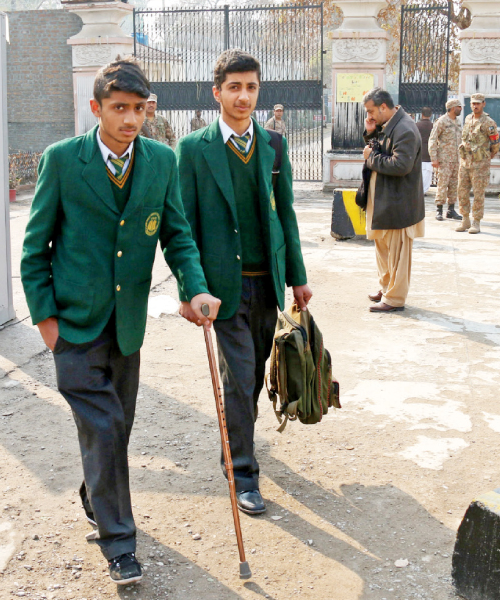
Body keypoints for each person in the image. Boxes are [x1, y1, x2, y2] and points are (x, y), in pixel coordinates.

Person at [20, 58, 220, 586]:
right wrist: (47, 324)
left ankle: (95, 494)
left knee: (116, 431)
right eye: (119, 109)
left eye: (139, 108)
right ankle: (120, 545)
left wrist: (194, 287)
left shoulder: (160, 161)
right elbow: (34, 249)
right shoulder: (63, 160)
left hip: (127, 325)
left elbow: (176, 234)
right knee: (105, 427)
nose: (131, 120)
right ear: (97, 109)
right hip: (73, 325)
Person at [175, 50, 310, 515]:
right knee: (237, 379)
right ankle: (243, 474)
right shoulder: (194, 149)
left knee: (250, 378)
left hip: (265, 283)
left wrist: (298, 278)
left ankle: (234, 444)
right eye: (234, 87)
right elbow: (183, 226)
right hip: (220, 290)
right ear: (217, 93)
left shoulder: (273, 145)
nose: (243, 96)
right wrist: (187, 292)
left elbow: (285, 213)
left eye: (251, 87)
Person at [362, 87, 425, 312]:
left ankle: (395, 298)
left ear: (384, 107)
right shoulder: (388, 125)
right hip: (383, 200)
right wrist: (370, 133)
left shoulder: (405, 128)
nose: (368, 116)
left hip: (399, 202)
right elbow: (379, 149)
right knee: (382, 246)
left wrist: (372, 159)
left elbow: (401, 165)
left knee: (398, 251)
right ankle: (386, 287)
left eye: (371, 111)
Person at [456, 93, 500, 234]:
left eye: (478, 103)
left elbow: (495, 143)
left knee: (478, 193)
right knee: (461, 191)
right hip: (465, 163)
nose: (475, 106)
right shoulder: (468, 119)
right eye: (473, 103)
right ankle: (465, 219)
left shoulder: (488, 122)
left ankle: (476, 221)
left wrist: (487, 157)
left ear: (483, 104)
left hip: (480, 164)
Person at [429, 98, 463, 221]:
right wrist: (434, 158)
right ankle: (439, 210)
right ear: (453, 108)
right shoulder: (442, 121)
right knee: (442, 184)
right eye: (459, 107)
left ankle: (451, 209)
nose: (461, 109)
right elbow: (432, 139)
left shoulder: (458, 122)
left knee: (454, 185)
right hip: (444, 159)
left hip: (456, 159)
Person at [416, 107, 434, 198]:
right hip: (429, 153)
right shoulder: (433, 126)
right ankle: (424, 190)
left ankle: (418, 190)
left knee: (419, 173)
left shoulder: (416, 125)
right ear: (430, 115)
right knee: (427, 173)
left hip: (418, 152)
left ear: (421, 114)